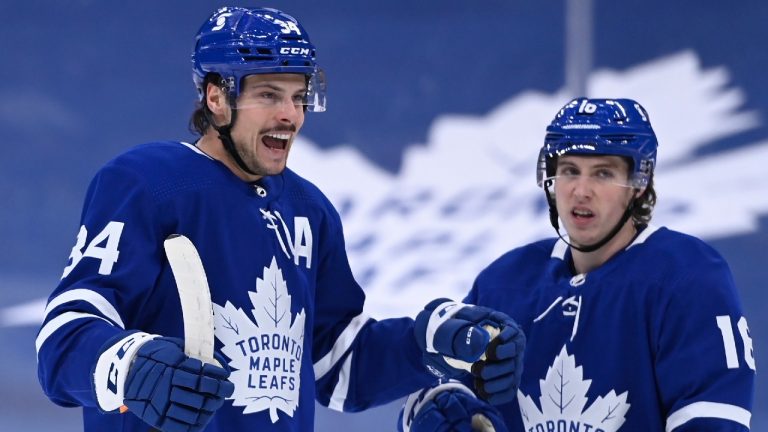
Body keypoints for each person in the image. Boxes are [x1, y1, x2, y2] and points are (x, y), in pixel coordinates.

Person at [35, 6, 525, 432]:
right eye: (269, 95)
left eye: (299, 95)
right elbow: (64, 338)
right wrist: (131, 364)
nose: (291, 114)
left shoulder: (309, 210)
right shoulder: (147, 183)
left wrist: (427, 344)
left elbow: (335, 366)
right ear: (216, 97)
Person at [400, 98, 756, 432]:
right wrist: (437, 406)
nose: (581, 190)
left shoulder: (688, 278)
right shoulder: (503, 284)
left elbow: (713, 420)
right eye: (570, 170)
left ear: (639, 183)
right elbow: (432, 399)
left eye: (602, 173)